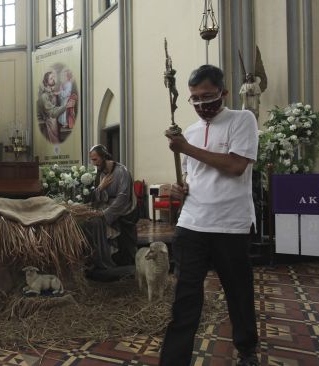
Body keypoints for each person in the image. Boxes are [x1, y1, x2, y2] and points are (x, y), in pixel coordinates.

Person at [160, 65, 259, 366]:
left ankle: (247, 350)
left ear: (223, 93)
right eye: (195, 99)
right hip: (191, 224)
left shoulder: (242, 120)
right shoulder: (189, 131)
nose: (202, 104)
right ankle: (174, 360)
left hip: (230, 224)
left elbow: (235, 166)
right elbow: (191, 180)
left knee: (238, 293)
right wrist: (180, 189)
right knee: (186, 297)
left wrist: (186, 148)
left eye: (208, 96)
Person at [81, 144, 138, 275]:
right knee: (91, 223)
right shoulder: (102, 174)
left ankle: (121, 263)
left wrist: (105, 214)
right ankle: (101, 258)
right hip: (108, 209)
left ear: (104, 157)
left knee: (100, 223)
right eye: (92, 160)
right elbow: (100, 196)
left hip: (123, 211)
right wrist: (100, 188)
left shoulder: (121, 171)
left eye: (95, 159)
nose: (93, 163)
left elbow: (123, 198)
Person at [36, 71, 75, 144]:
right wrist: (66, 106)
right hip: (51, 123)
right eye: (51, 78)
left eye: (53, 77)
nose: (53, 79)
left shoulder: (52, 92)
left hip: (56, 122)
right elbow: (52, 112)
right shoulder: (44, 96)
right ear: (46, 82)